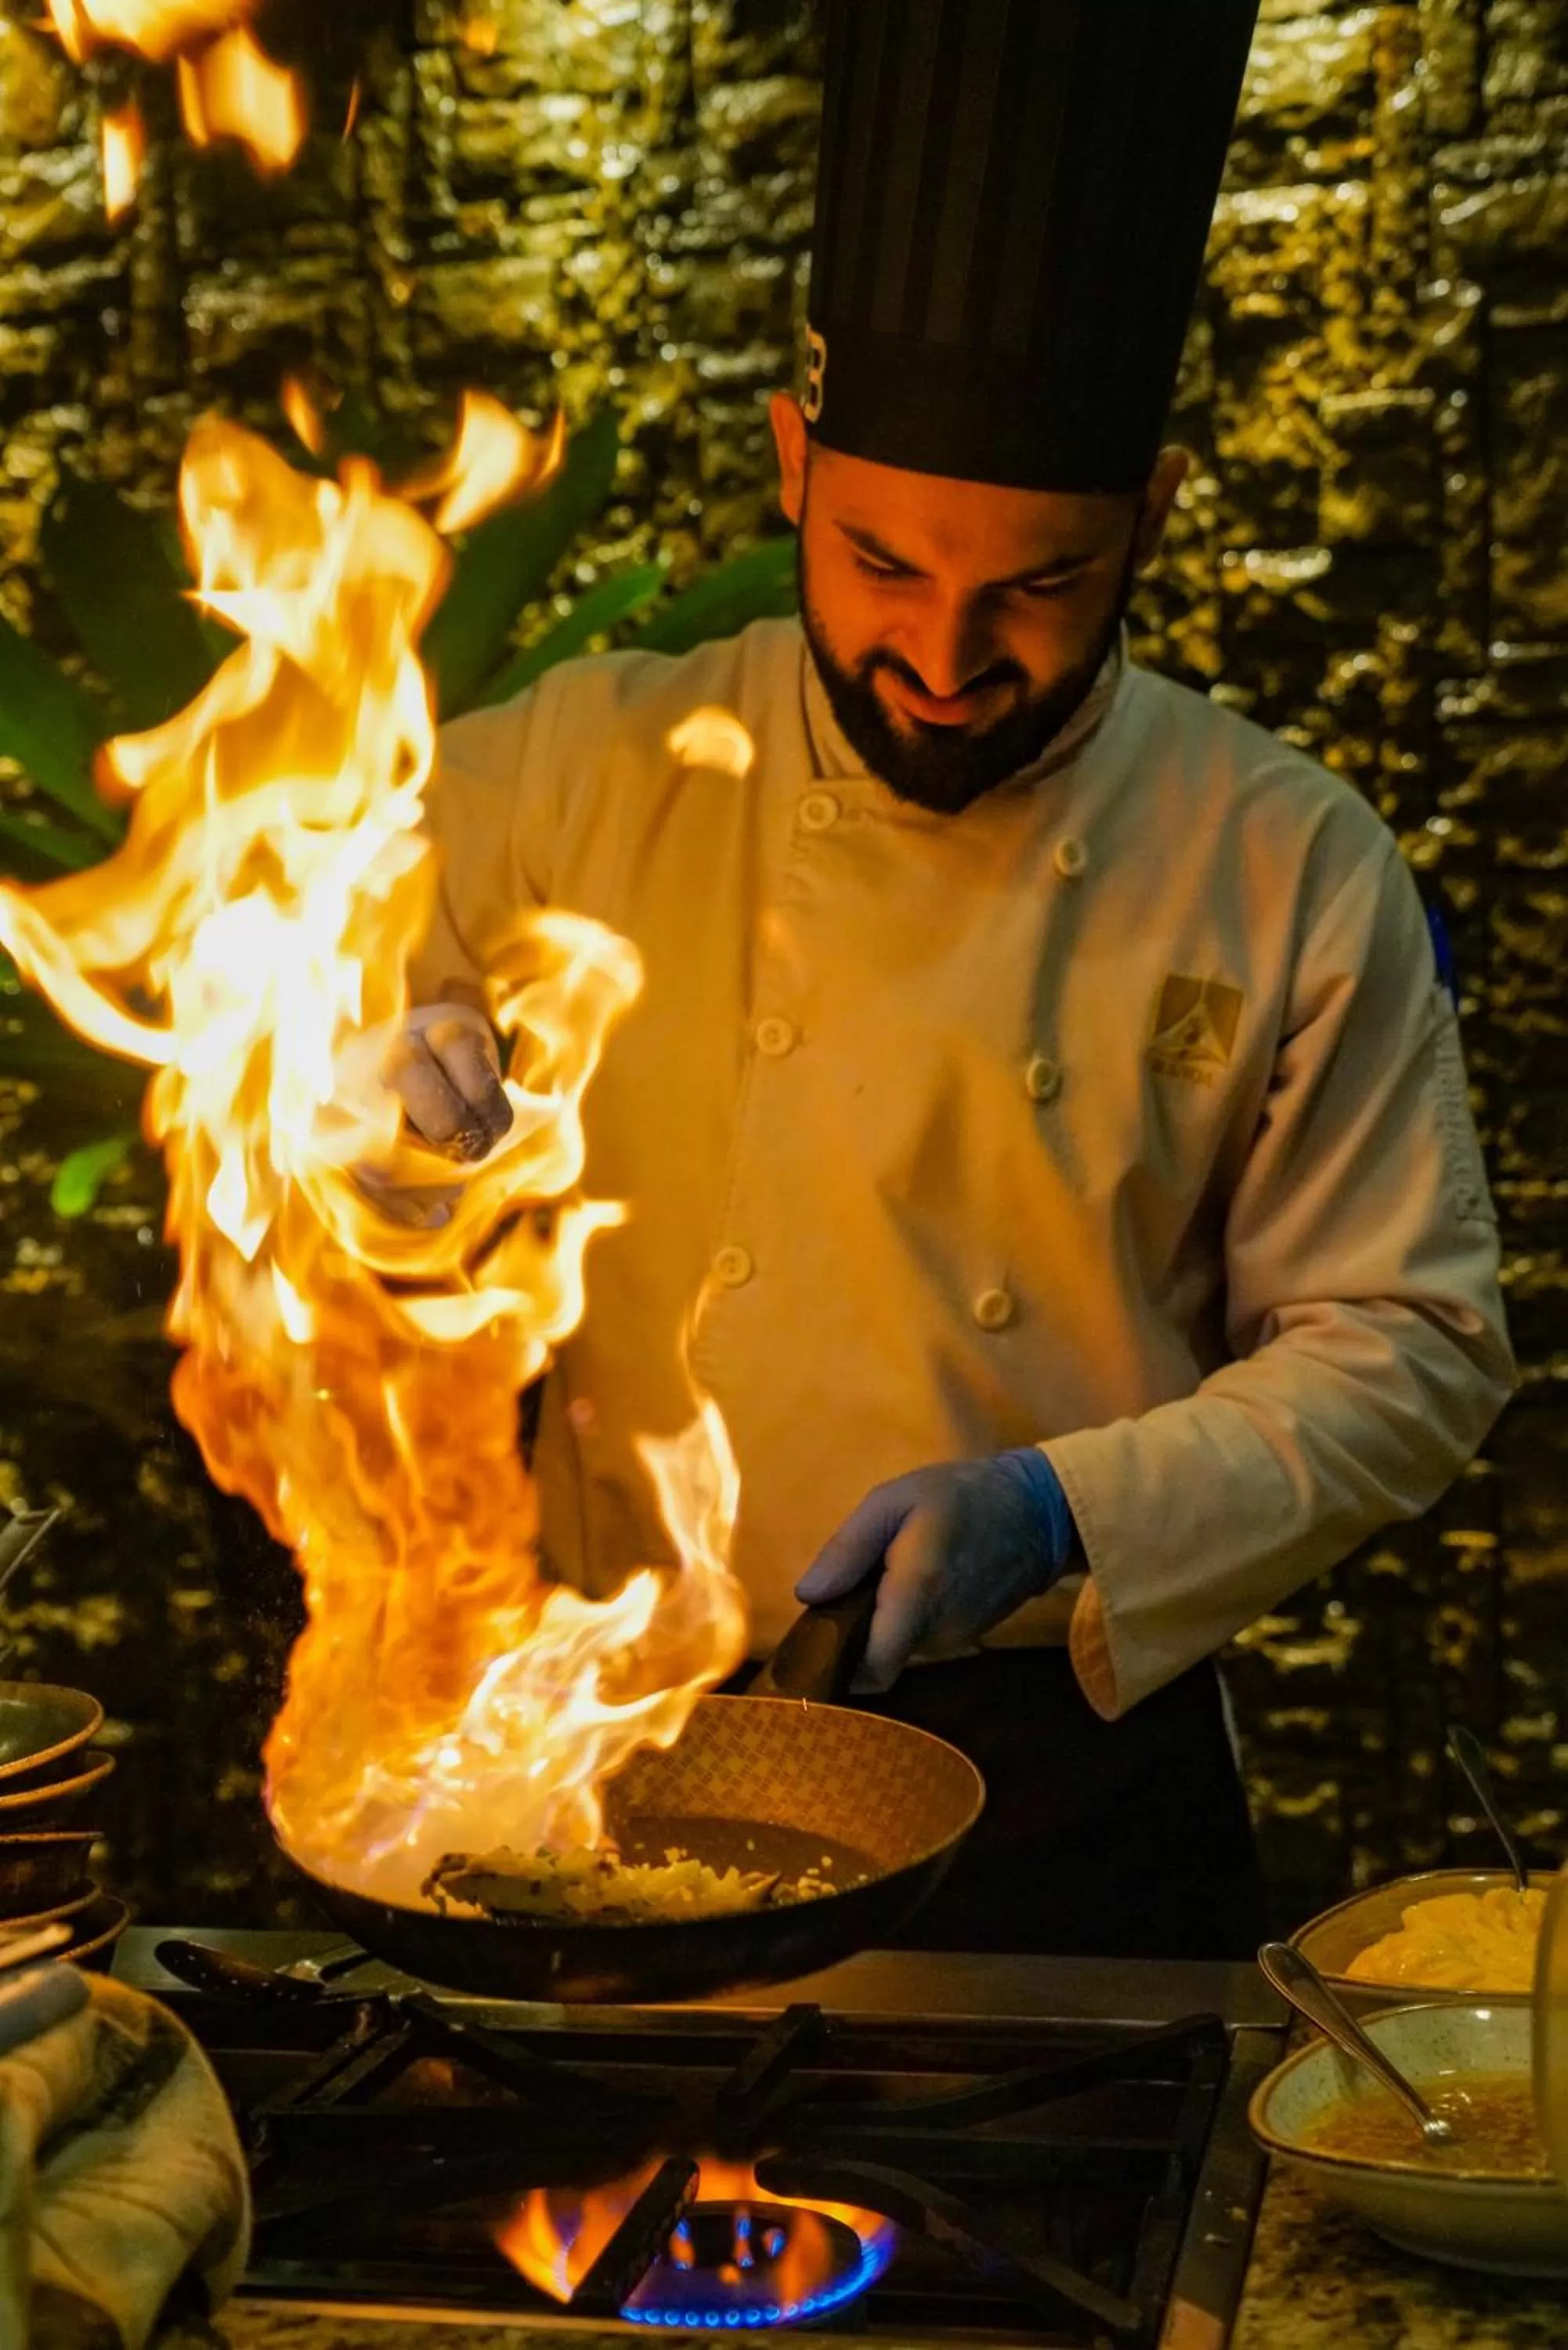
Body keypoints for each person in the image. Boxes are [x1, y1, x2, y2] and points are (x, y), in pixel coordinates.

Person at [388, 0, 1515, 1959]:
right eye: (883, 565)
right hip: (594, 1744)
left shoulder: (1278, 856)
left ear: (1146, 518)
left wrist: (1066, 1504)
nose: (942, 652)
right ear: (792, 466)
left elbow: (1409, 1346)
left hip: (1063, 1773)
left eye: (1038, 586)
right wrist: (376, 1056)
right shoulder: (570, 769)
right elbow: (299, 962)